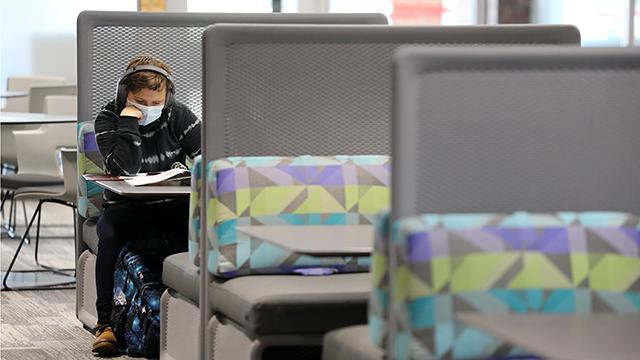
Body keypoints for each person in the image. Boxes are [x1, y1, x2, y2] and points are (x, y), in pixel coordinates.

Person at [91, 55, 200, 354]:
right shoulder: (108, 118)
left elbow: (210, 156)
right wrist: (129, 121)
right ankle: (106, 325)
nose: (149, 108)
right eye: (141, 101)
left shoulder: (179, 115)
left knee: (199, 228)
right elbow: (124, 169)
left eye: (156, 102)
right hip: (126, 208)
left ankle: (191, 315)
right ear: (124, 94)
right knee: (110, 234)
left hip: (172, 204)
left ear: (168, 96)